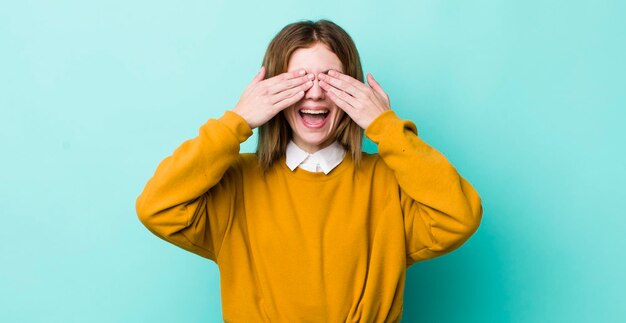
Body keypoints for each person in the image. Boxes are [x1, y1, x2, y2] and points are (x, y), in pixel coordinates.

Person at [136, 19, 483, 323]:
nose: (315, 93)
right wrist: (237, 121)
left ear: (354, 90)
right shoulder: (237, 184)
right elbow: (157, 206)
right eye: (298, 80)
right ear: (272, 90)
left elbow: (460, 216)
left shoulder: (389, 183)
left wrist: (385, 127)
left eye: (331, 80)